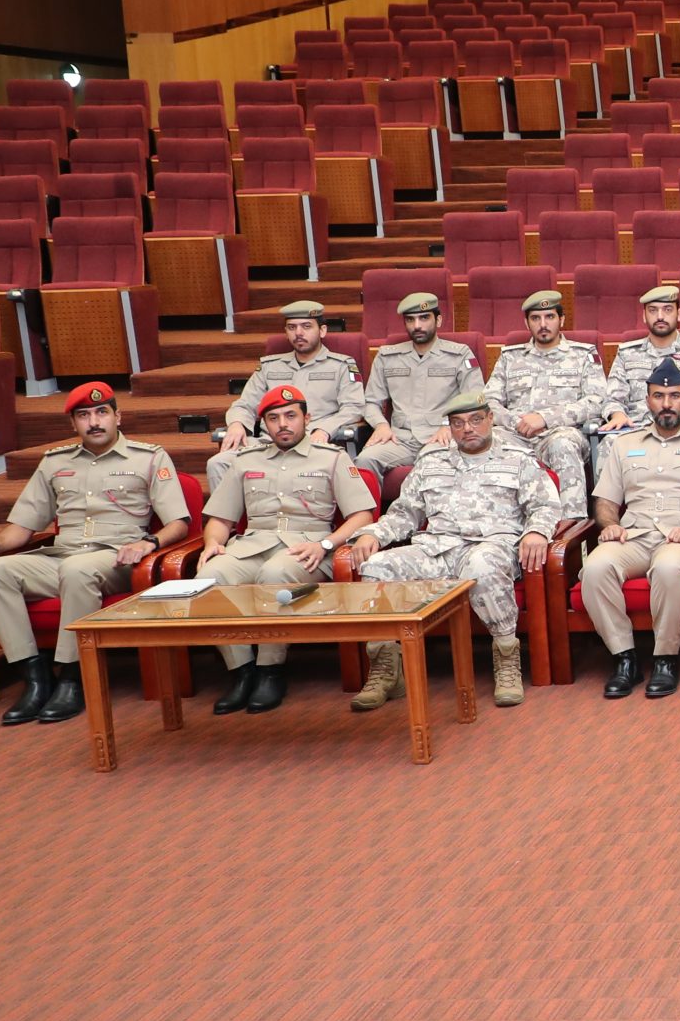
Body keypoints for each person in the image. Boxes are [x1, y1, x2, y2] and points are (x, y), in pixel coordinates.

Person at [0, 382, 190, 726]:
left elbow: (178, 522)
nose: (94, 422)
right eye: (83, 415)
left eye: (102, 412)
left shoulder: (149, 457)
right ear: (73, 424)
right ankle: (37, 679)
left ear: (118, 416)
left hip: (116, 558)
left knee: (78, 571)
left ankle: (73, 678)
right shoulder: (55, 462)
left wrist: (150, 544)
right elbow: (23, 526)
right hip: (62, 555)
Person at [346, 390, 561, 713]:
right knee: (376, 567)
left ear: (490, 419)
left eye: (475, 420)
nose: (467, 429)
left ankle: (506, 658)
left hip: (492, 546)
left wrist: (535, 531)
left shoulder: (518, 461)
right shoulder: (432, 463)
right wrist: (372, 534)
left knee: (481, 565)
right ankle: (386, 668)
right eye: (458, 423)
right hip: (437, 548)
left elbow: (544, 506)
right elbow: (405, 513)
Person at [195, 385, 378, 715]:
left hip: (308, 549)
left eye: (291, 416)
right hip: (252, 545)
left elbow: (363, 515)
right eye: (274, 418)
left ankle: (270, 670)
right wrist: (212, 542)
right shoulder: (245, 461)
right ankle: (241, 671)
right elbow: (220, 517)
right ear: (263, 423)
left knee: (275, 573)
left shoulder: (332, 458)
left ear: (306, 419)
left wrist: (326, 544)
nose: (283, 424)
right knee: (209, 575)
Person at [581, 359, 680, 699]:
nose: (666, 403)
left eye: (674, 396)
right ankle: (624, 659)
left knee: (668, 567)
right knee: (595, 567)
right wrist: (609, 526)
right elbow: (606, 501)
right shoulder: (623, 445)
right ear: (647, 400)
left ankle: (665, 659)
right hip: (635, 534)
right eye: (658, 396)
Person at [210, 299, 363, 488]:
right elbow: (245, 404)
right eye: (292, 327)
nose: (298, 333)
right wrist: (236, 423)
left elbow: (354, 407)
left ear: (322, 330)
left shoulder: (341, 365)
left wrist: (324, 430)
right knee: (218, 463)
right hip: (268, 443)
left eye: (306, 326)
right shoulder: (269, 366)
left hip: (313, 443)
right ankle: (227, 517)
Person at [485, 289, 609, 508]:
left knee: (563, 445)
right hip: (516, 434)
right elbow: (489, 402)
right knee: (486, 442)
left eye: (549, 317)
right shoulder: (509, 357)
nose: (543, 324)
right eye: (535, 318)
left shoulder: (583, 355)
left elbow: (596, 401)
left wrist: (545, 418)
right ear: (527, 323)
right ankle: (498, 524)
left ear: (561, 319)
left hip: (561, 432)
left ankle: (571, 528)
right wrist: (517, 422)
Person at [355, 293, 482, 477]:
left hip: (441, 437)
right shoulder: (387, 357)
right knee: (364, 461)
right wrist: (381, 425)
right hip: (400, 439)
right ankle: (368, 508)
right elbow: (371, 401)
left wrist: (448, 426)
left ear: (438, 320)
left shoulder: (459, 355)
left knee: (429, 463)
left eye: (424, 318)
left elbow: (474, 399)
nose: (417, 326)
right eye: (410, 320)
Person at [601, 284, 680, 430]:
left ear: (678, 314)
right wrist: (617, 414)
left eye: (667, 310)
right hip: (637, 428)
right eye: (653, 310)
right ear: (644, 316)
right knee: (609, 444)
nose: (660, 316)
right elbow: (612, 398)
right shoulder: (627, 353)